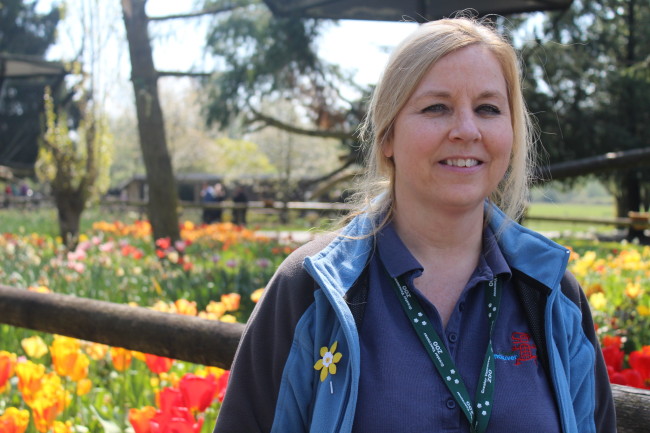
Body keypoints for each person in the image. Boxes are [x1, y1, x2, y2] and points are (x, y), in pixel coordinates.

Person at [213, 16, 616, 433]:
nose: (466, 129)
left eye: (488, 108)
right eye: (436, 107)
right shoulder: (311, 289)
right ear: (387, 137)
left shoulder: (552, 294)